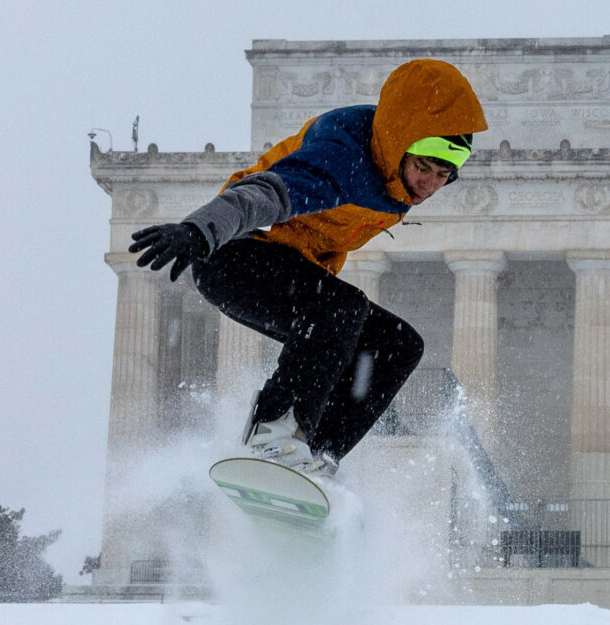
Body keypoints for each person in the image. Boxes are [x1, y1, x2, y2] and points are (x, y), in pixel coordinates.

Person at [127, 58, 488, 477]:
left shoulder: (395, 181)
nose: (428, 184)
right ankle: (272, 436)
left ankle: (315, 457)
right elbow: (262, 195)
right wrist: (200, 230)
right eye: (422, 167)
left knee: (397, 344)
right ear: (397, 144)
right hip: (233, 255)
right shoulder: (345, 157)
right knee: (341, 307)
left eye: (442, 174)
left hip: (286, 268)